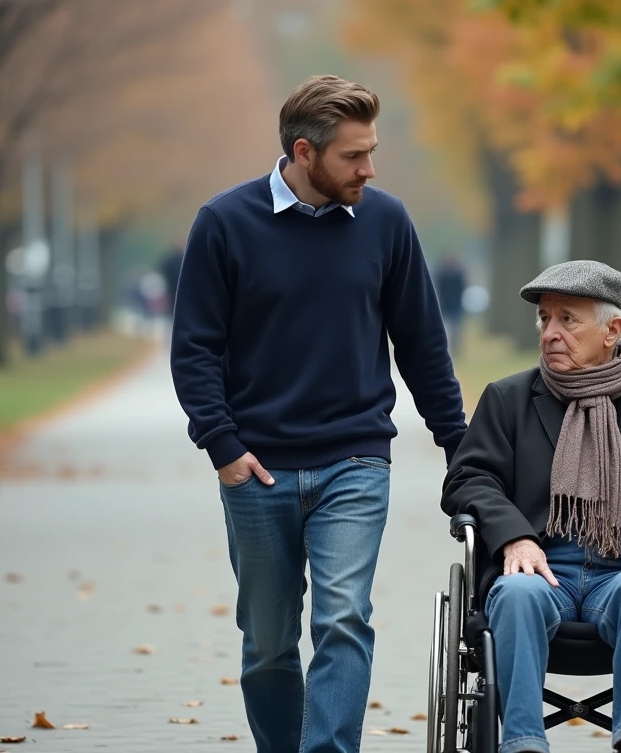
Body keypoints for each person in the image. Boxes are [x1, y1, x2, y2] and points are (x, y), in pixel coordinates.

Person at [170, 74, 468, 753]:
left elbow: (421, 342)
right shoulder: (224, 223)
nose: (369, 168)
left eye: (371, 152)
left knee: (343, 621)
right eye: (352, 157)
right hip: (257, 469)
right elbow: (194, 351)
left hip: (356, 459)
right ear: (305, 154)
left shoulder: (387, 221)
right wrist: (222, 448)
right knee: (269, 647)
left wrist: (459, 444)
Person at [441, 260, 621, 753]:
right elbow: (468, 478)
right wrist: (514, 534)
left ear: (613, 330)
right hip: (540, 573)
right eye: (544, 320)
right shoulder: (508, 399)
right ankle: (521, 744)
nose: (550, 333)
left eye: (567, 319)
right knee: (516, 594)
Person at [434, 254, 467, 356]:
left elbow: (462, 289)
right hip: (445, 305)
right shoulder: (442, 275)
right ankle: (445, 347)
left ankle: (454, 347)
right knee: (444, 328)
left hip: (455, 305)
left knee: (456, 329)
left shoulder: (458, 275)